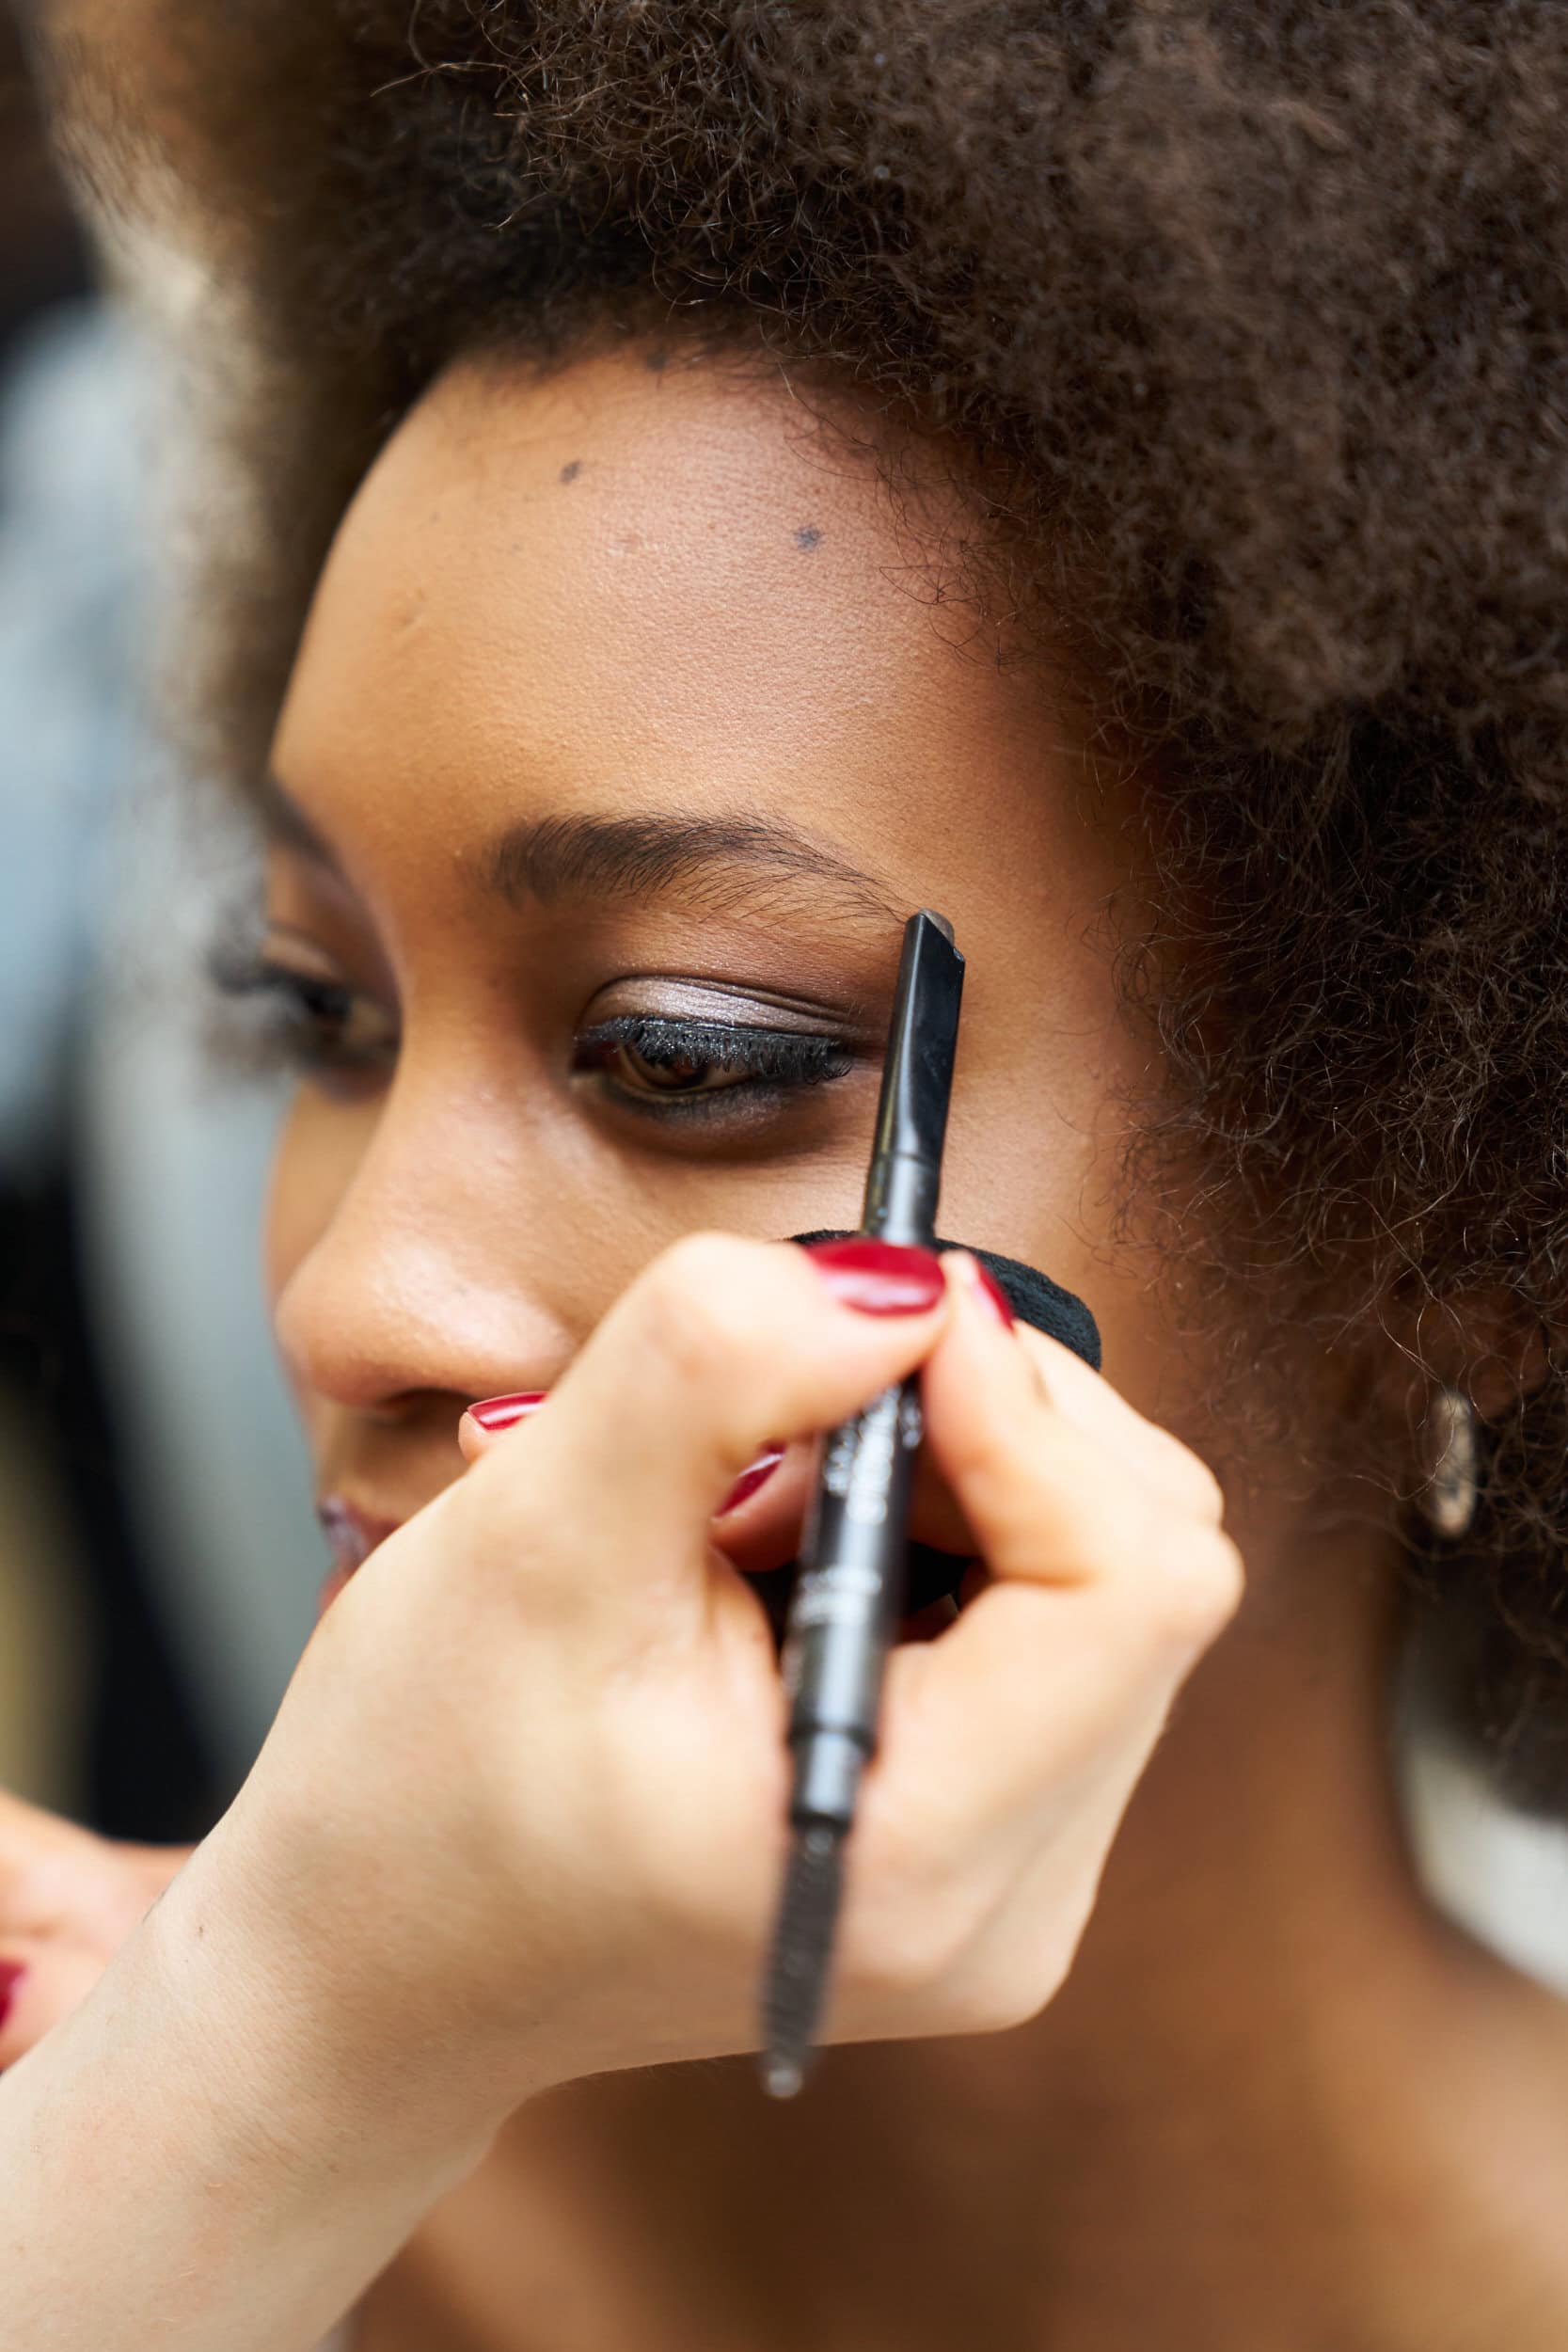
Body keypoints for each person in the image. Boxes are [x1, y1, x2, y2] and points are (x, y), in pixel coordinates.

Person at [5, 3, 1568, 2344]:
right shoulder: (108, 2126)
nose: (353, 1294)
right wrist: (255, 2080)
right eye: (314, 1012)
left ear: (1437, 1195)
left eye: (680, 1052)